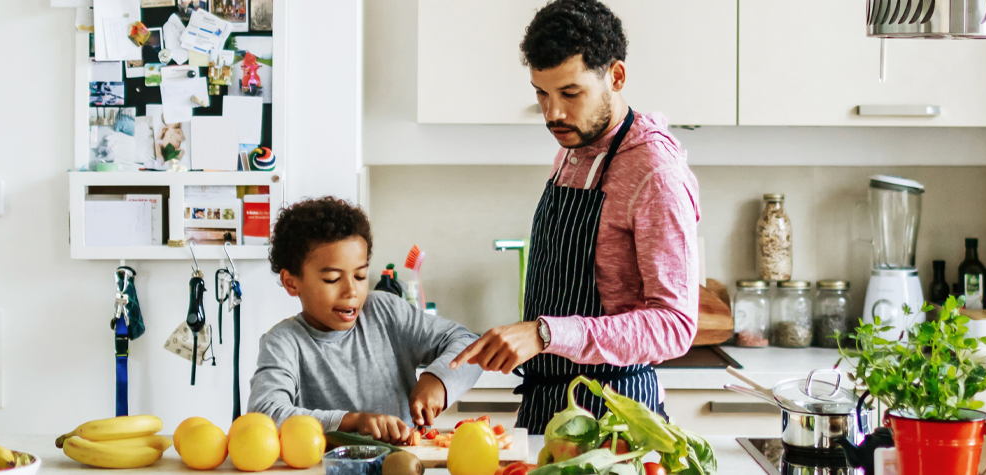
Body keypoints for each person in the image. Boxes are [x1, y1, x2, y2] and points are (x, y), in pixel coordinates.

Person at [449, 0, 701, 434]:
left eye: (570, 93)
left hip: (613, 418)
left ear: (616, 76)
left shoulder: (655, 173)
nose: (553, 114)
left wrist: (545, 335)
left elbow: (675, 326)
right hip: (548, 406)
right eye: (541, 93)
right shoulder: (575, 147)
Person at [250, 197, 484, 443]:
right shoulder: (283, 342)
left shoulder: (386, 313)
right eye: (332, 279)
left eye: (360, 276)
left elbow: (469, 344)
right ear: (291, 282)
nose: (351, 291)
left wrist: (437, 379)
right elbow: (264, 414)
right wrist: (353, 422)